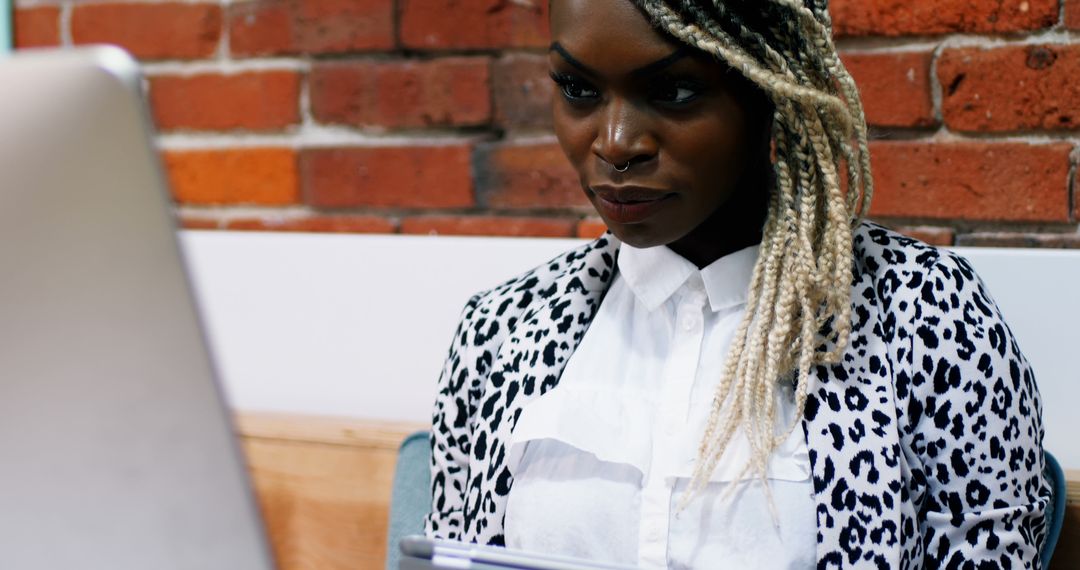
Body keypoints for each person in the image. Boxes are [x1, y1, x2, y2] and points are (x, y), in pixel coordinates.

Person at [425, 1, 1050, 568]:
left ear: (775, 93)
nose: (615, 143)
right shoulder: (501, 331)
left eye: (673, 90)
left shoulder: (927, 318)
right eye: (579, 88)